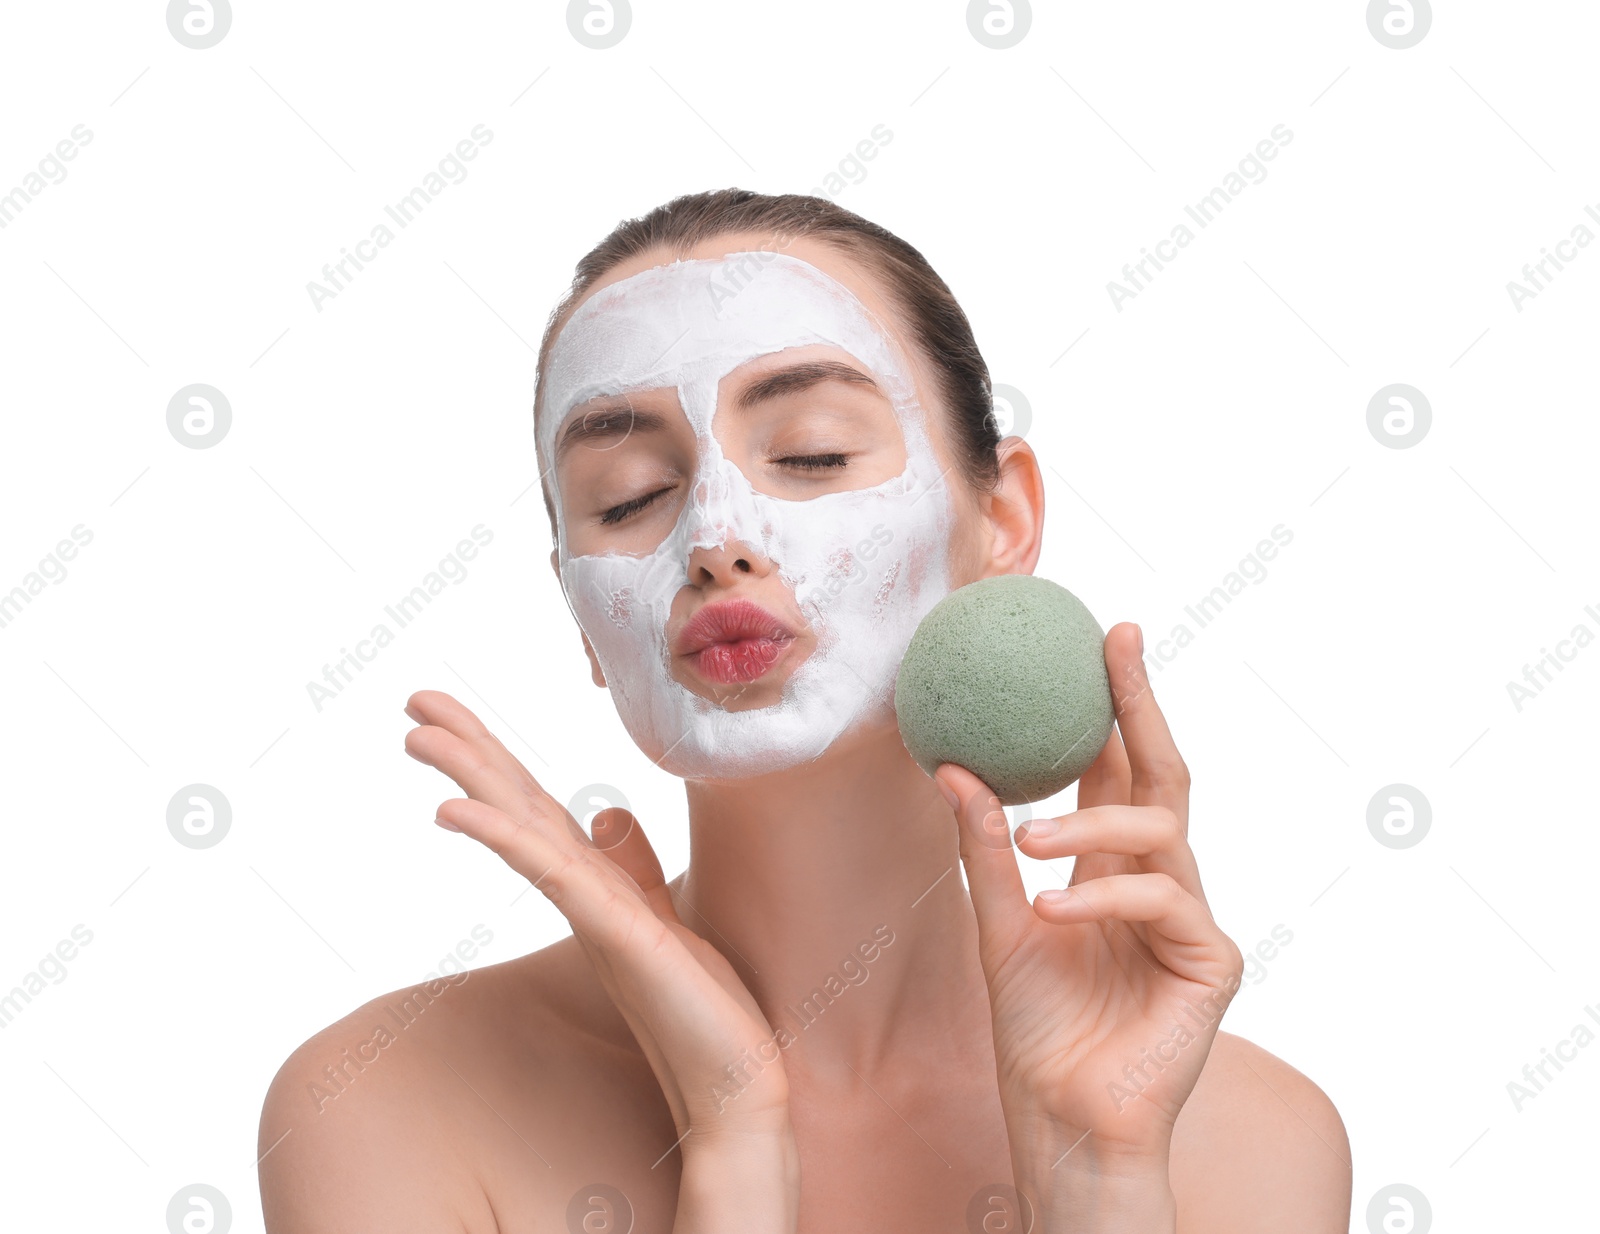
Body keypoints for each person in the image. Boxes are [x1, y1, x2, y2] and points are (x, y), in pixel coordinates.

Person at [258, 189, 1351, 1233]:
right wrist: (735, 1145)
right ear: (579, 616)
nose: (714, 537)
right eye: (629, 494)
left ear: (1002, 520)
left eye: (813, 455)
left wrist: (1100, 1176)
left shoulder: (1248, 1143)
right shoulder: (389, 1103)